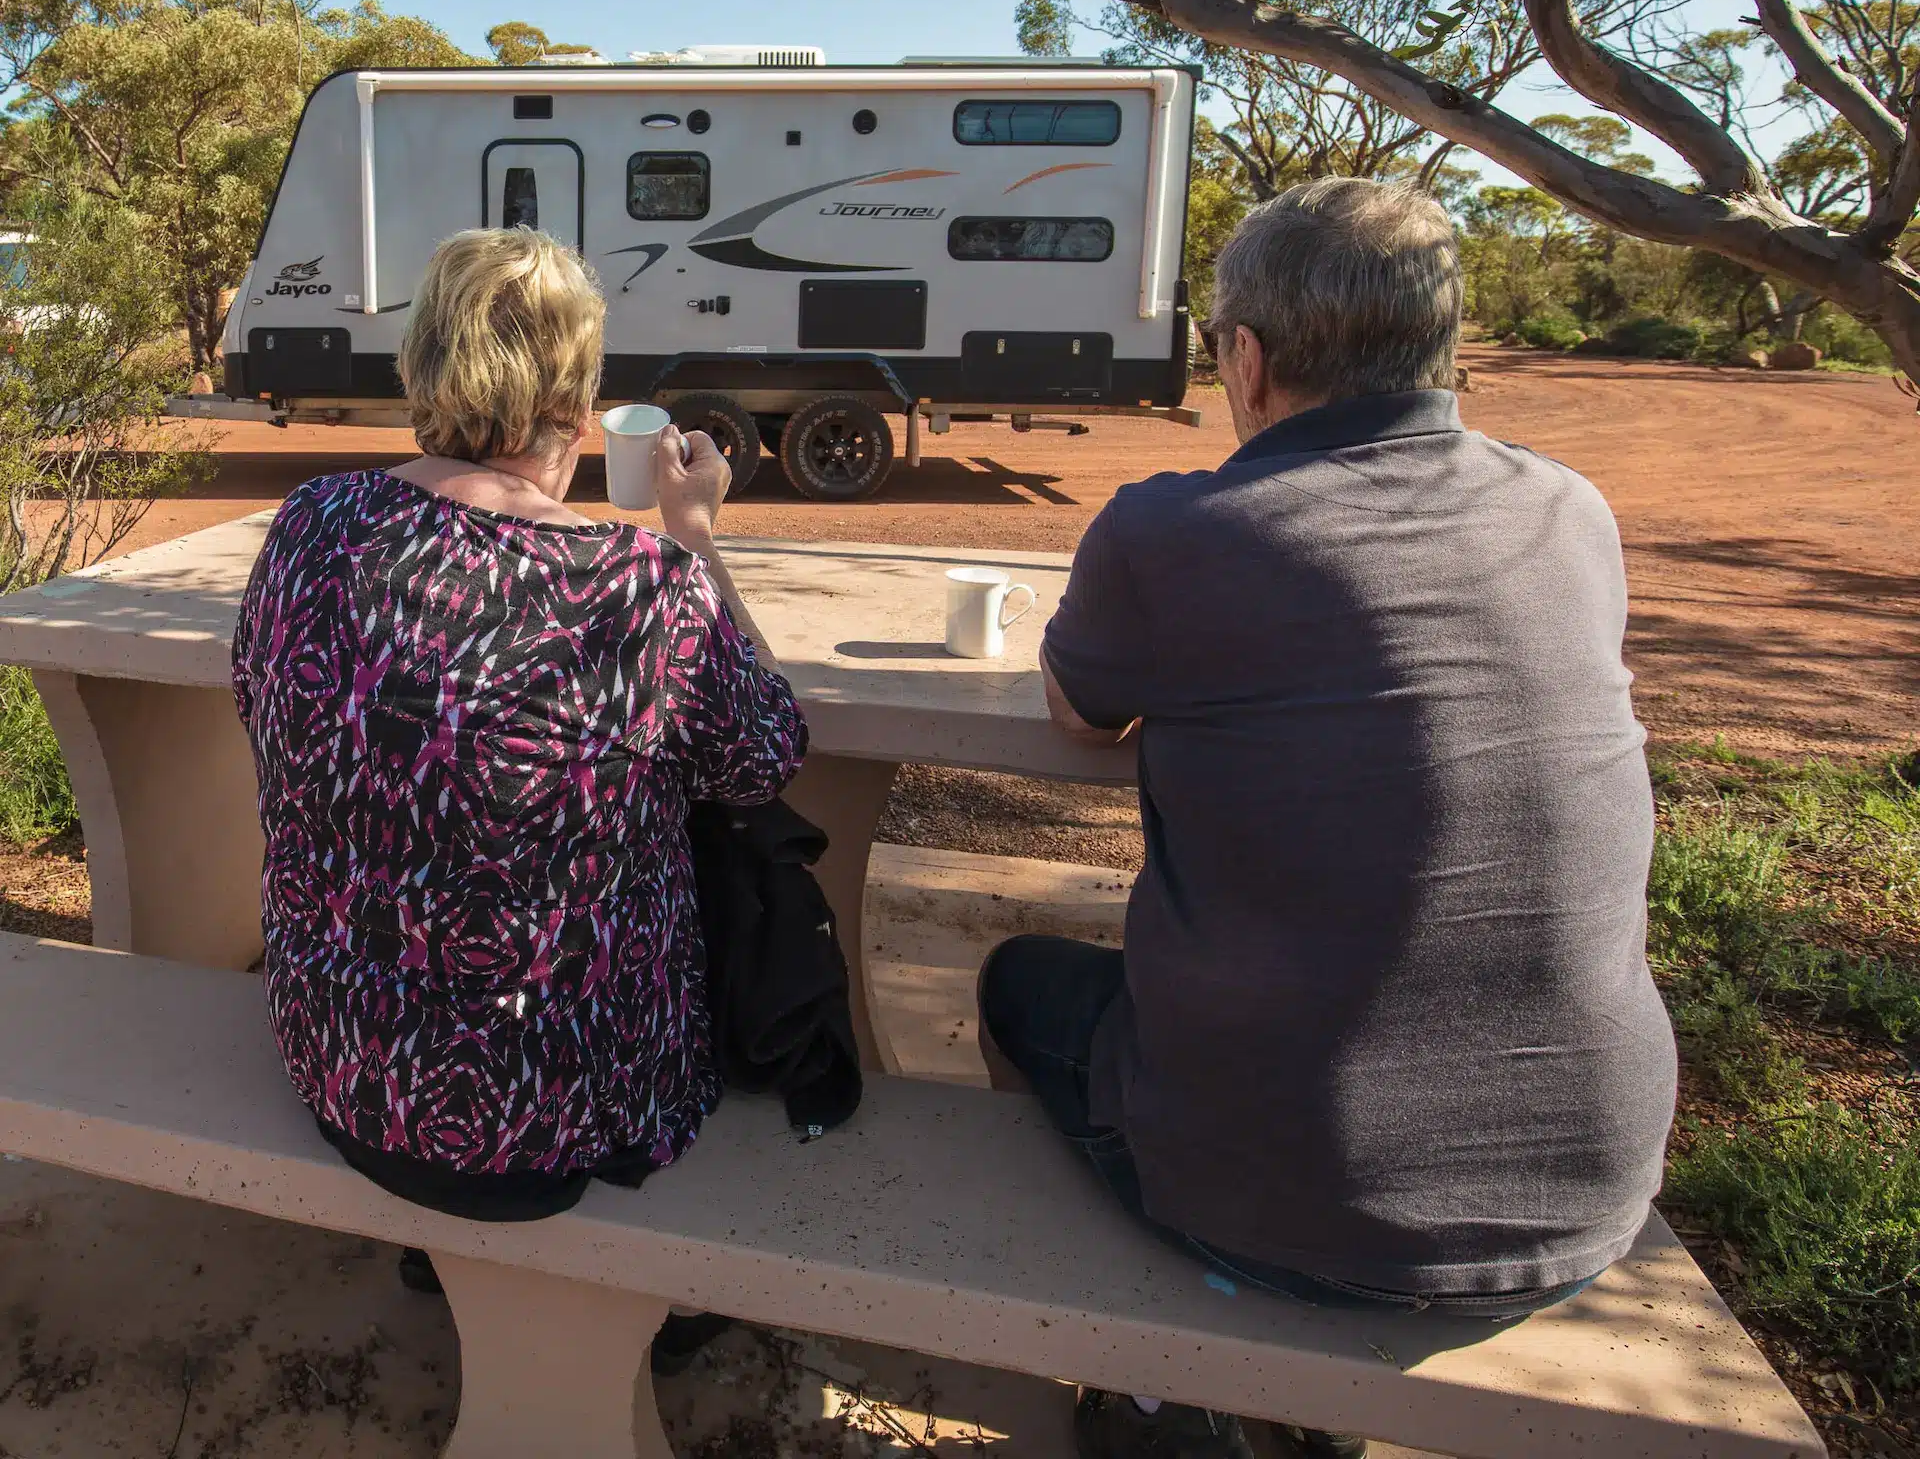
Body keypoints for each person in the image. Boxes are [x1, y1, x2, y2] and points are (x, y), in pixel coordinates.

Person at [978, 179, 1678, 1459]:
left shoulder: (1176, 527)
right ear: (1439, 342)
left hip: (1290, 1204)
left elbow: (1081, 717)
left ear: (1246, 360)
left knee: (1019, 981)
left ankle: (1150, 1383)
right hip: (1592, 1198)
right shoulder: (1572, 512)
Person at [232, 228, 805, 1245]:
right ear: (580, 402)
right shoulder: (643, 583)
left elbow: (263, 706)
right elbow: (763, 757)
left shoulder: (309, 525)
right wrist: (699, 540)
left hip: (343, 1067)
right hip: (564, 1115)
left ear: (421, 367)